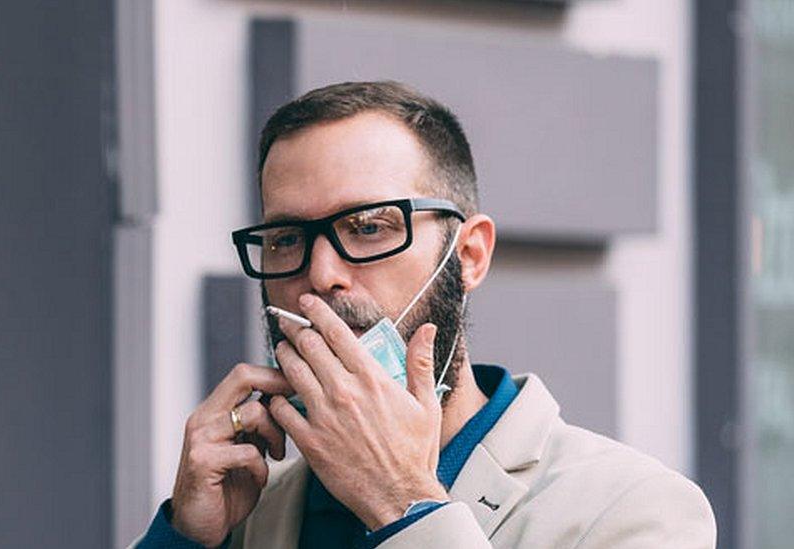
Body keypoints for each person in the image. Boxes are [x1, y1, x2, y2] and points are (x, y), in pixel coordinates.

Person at [131, 81, 716, 548]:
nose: (322, 273)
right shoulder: (250, 500)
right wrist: (182, 539)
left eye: (368, 228)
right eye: (286, 237)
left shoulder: (635, 511)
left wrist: (403, 505)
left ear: (468, 255)